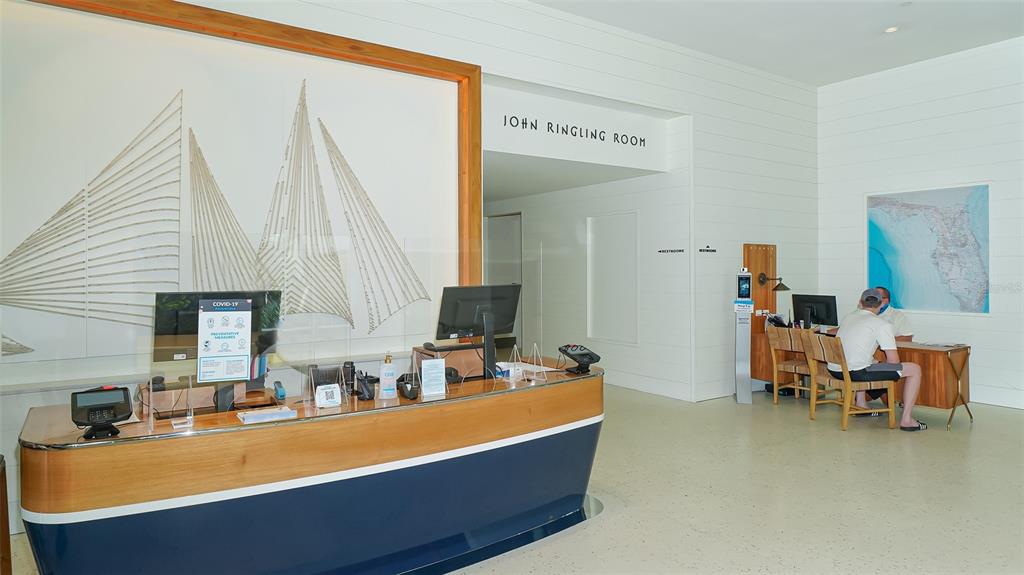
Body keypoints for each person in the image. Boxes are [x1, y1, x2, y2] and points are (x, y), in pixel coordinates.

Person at [828, 288, 926, 431]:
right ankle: (906, 420)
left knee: (869, 362)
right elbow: (894, 362)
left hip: (836, 370)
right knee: (914, 369)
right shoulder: (882, 325)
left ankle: (861, 404)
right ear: (881, 304)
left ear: (860, 303)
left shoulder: (849, 317)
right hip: (856, 373)